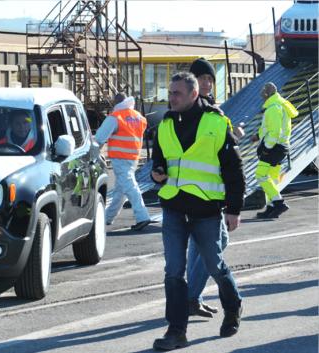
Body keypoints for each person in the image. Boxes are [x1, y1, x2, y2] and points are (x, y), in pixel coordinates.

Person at [151, 72, 244, 350]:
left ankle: (233, 306)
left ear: (193, 94)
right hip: (174, 208)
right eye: (170, 93)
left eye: (177, 93)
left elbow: (234, 170)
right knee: (174, 272)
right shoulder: (165, 124)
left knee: (214, 264)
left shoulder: (216, 123)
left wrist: (234, 208)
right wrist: (157, 173)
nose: (172, 98)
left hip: (206, 209)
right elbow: (159, 161)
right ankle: (176, 331)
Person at [186, 58, 231, 318]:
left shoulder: (211, 107)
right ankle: (191, 297)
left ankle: (194, 297)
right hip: (199, 190)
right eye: (201, 77)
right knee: (217, 241)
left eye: (209, 78)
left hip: (209, 188)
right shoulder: (198, 109)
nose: (206, 82)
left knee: (198, 247)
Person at [95, 92, 152, 231]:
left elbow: (100, 138)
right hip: (134, 157)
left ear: (116, 102)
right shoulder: (138, 116)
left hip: (120, 157)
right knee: (120, 190)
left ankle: (142, 216)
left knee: (130, 187)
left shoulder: (116, 117)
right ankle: (108, 217)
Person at [251, 82, 298, 218]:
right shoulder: (281, 105)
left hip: (274, 147)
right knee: (272, 178)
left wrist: (266, 148)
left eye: (263, 96)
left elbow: (275, 131)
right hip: (281, 146)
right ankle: (272, 208)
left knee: (260, 175)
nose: (262, 98)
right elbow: (270, 128)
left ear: (266, 95)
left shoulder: (273, 108)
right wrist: (258, 135)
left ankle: (278, 203)